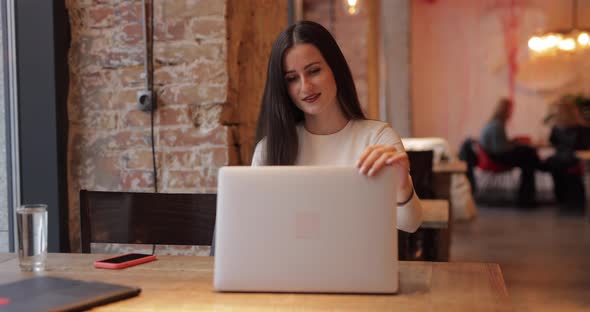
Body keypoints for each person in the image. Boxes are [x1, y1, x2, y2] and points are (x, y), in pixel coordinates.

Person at [252, 20, 423, 233]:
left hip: (358, 266)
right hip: (290, 266)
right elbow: (261, 231)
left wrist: (402, 186)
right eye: (292, 78)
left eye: (314, 71)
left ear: (335, 69)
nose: (306, 86)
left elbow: (411, 224)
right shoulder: (268, 150)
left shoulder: (378, 139)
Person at [479, 98, 541, 206]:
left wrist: (513, 142)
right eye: (510, 110)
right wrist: (515, 144)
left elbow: (500, 144)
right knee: (528, 155)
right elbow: (500, 149)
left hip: (495, 156)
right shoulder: (496, 125)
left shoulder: (495, 123)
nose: (511, 113)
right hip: (495, 159)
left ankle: (526, 197)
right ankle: (527, 198)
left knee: (528, 156)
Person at [544, 96, 590, 210]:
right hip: (574, 160)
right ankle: (575, 199)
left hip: (558, 160)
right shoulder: (582, 128)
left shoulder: (556, 128)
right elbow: (585, 146)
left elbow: (552, 142)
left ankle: (561, 198)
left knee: (554, 165)